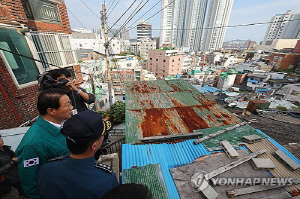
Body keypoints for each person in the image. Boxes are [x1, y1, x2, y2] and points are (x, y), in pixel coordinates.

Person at [37, 110, 118, 199]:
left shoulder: (47, 169)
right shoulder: (106, 180)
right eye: (103, 135)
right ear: (94, 146)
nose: (103, 137)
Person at [16, 89, 73, 198]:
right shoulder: (32, 144)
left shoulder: (63, 124)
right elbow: (31, 184)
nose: (71, 107)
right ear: (51, 111)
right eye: (67, 105)